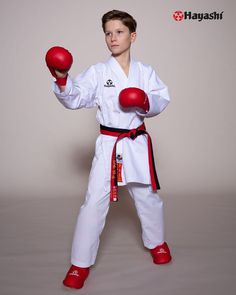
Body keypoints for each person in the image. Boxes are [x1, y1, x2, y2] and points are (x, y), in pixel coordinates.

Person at [45, 9, 172, 290]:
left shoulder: (146, 72)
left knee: (147, 196)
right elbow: (76, 98)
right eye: (108, 33)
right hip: (109, 144)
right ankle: (80, 263)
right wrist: (64, 79)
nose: (112, 37)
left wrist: (144, 101)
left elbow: (162, 98)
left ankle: (157, 243)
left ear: (133, 35)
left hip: (136, 142)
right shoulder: (99, 72)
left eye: (119, 31)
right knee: (93, 202)